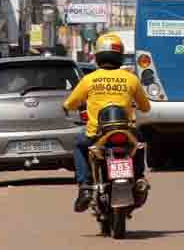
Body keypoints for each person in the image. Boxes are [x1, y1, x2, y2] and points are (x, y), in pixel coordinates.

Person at [63, 33, 151, 213]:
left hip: (97, 135)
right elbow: (145, 106)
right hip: (126, 133)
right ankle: (139, 177)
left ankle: (86, 186)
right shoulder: (131, 79)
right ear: (119, 55)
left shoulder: (89, 79)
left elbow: (70, 103)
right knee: (139, 144)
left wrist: (66, 108)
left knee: (80, 146)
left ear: (98, 55)